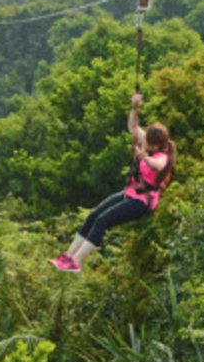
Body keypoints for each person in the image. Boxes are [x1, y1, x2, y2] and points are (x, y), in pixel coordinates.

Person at [49, 92, 176, 273]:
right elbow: (133, 127)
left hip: (142, 203)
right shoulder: (148, 143)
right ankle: (67, 256)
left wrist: (144, 157)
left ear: (157, 145)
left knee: (103, 221)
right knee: (93, 215)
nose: (145, 144)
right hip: (129, 194)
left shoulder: (162, 156)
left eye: (149, 144)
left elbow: (157, 165)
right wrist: (134, 106)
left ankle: (76, 262)